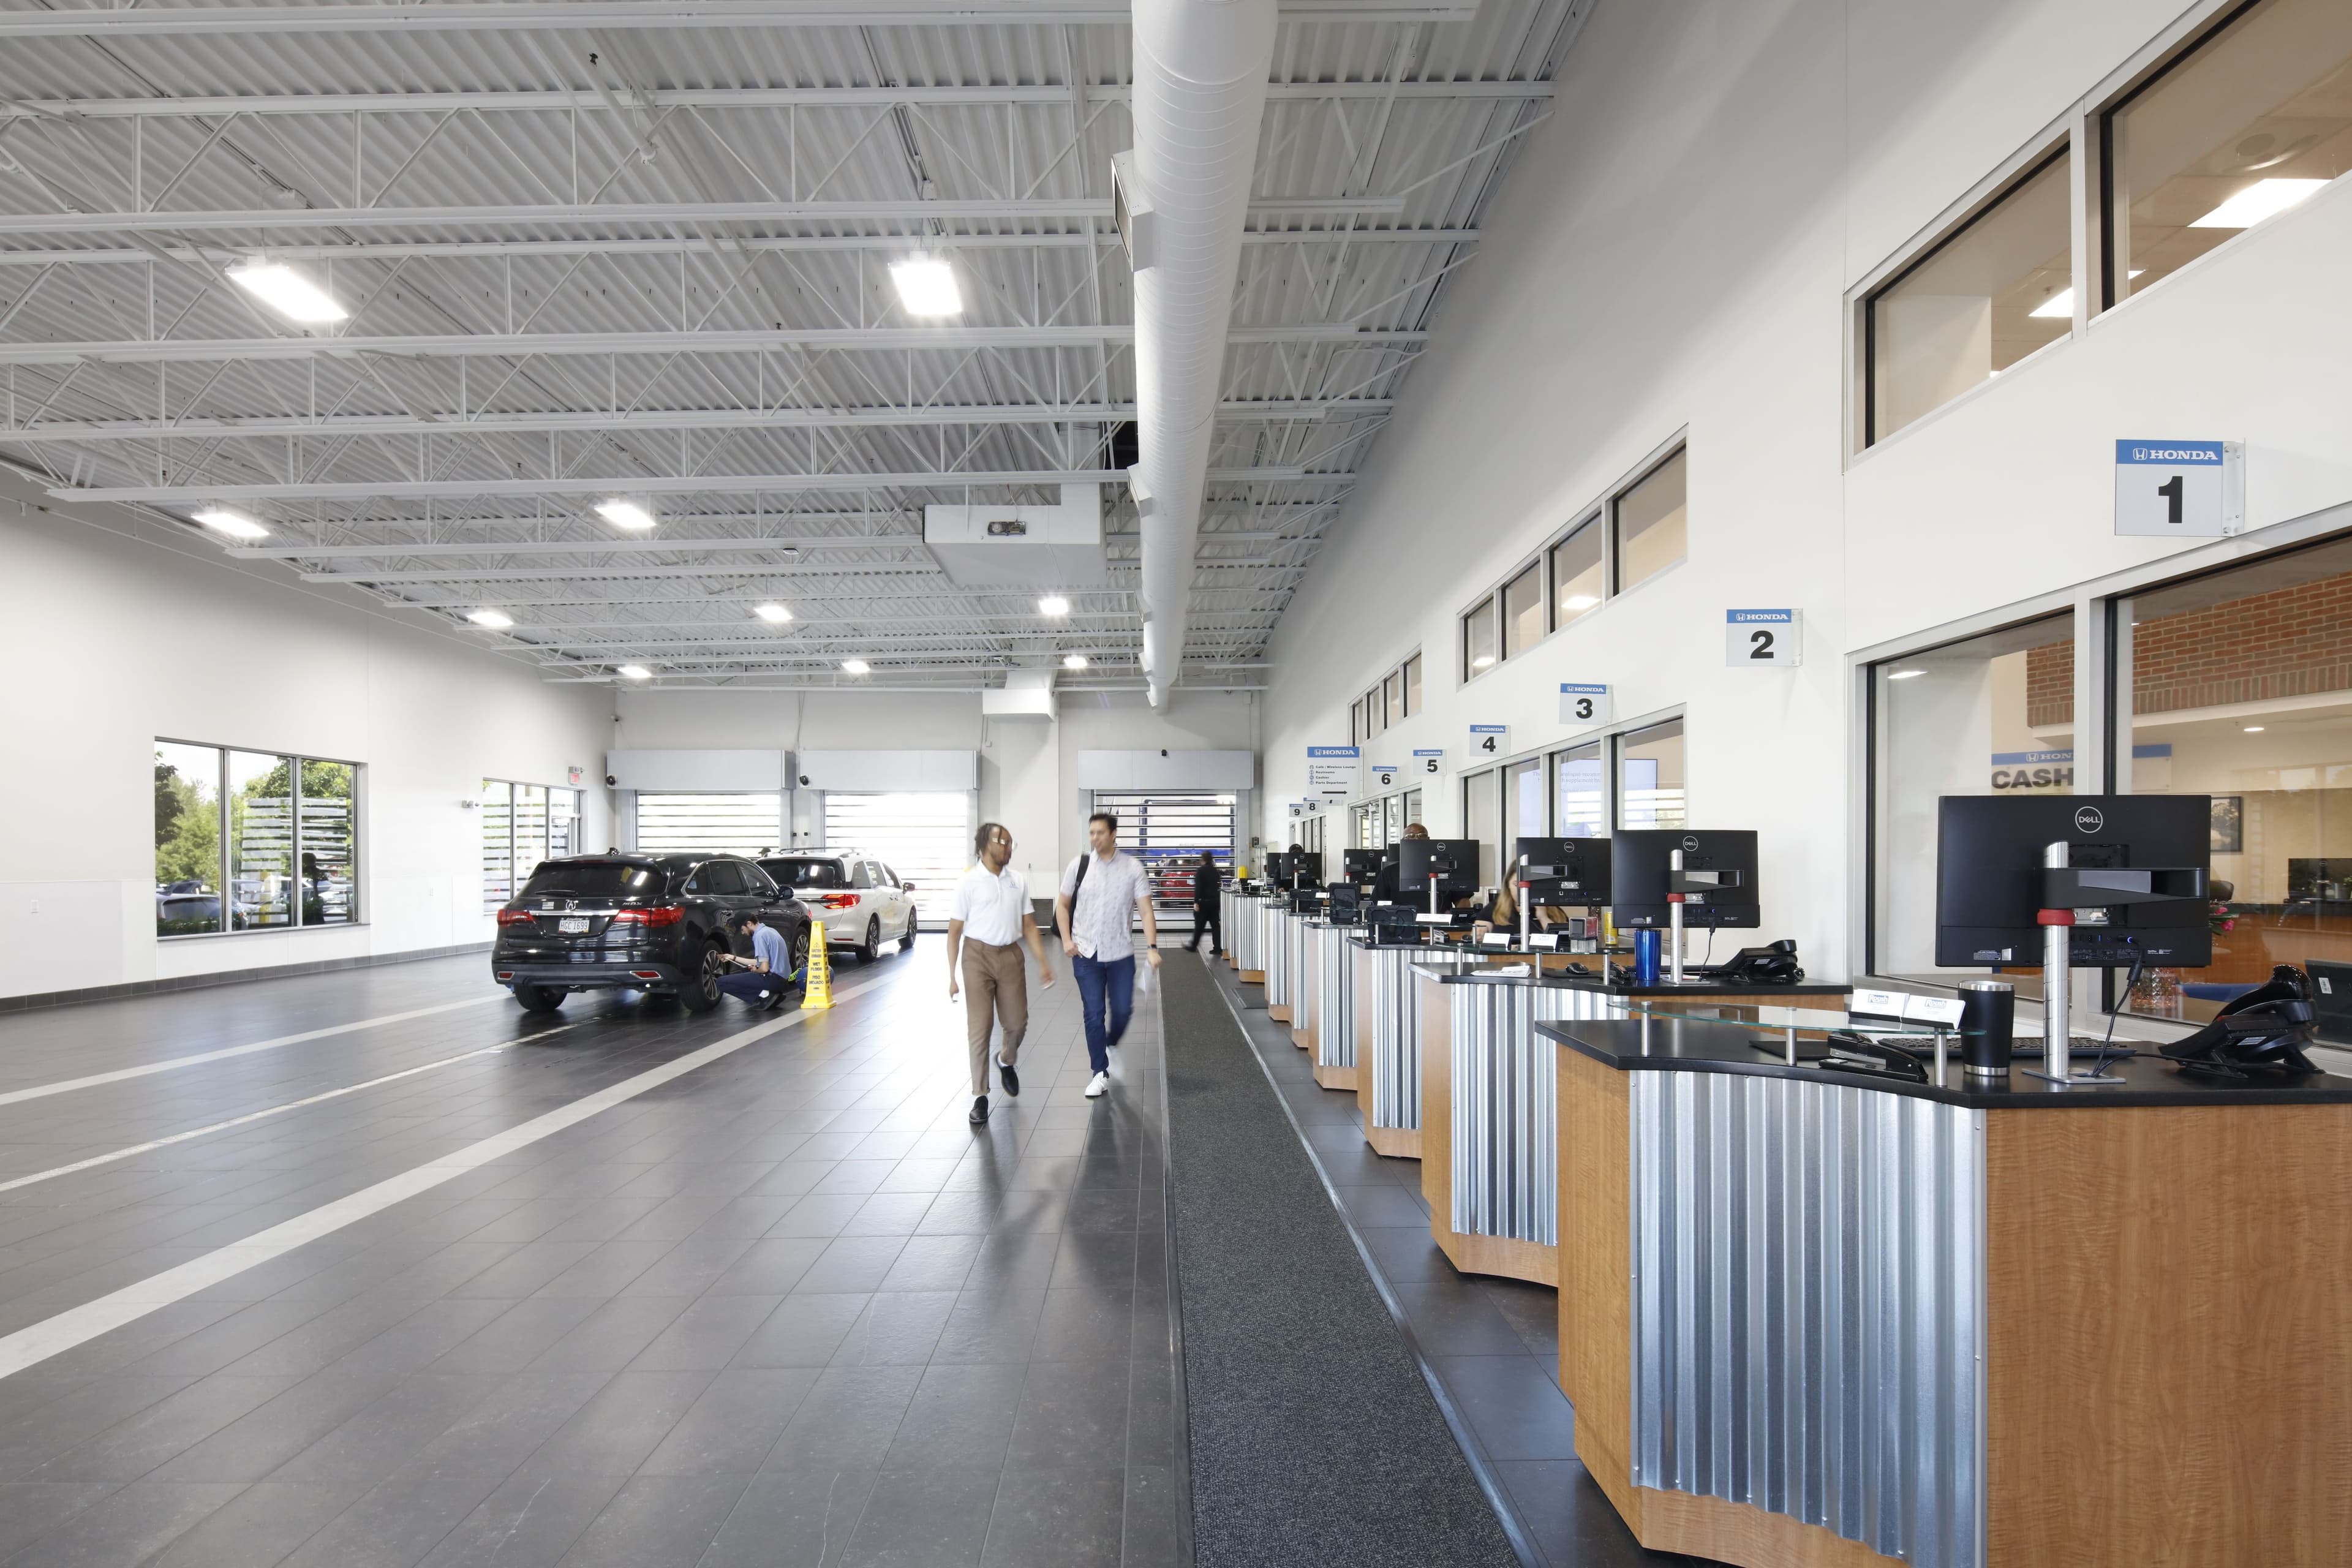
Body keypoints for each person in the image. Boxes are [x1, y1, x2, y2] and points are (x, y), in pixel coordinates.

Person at [946, 822, 1055, 1125]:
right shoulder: (968, 882)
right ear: (985, 845)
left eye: (1010, 843)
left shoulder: (1017, 881)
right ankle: (980, 1096)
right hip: (976, 957)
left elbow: (1030, 925)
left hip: (1010, 955)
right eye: (1002, 842)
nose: (1008, 847)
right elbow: (954, 932)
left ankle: (1006, 1060)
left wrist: (1044, 962)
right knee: (980, 1029)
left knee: (1017, 1024)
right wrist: (952, 976)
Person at [1056, 812, 1161, 1099]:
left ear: (1114, 834)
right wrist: (1066, 940)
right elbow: (1063, 906)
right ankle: (1099, 1073)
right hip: (1085, 953)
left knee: (1124, 1011)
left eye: (1100, 833)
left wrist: (1152, 948)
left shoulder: (1132, 868)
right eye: (1091, 833)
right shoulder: (1079, 866)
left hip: (1120, 954)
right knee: (1094, 1013)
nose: (1095, 838)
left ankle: (1111, 1044)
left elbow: (1146, 910)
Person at [715, 910, 794, 1011]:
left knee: (721, 982)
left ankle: (765, 995)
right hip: (783, 980)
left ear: (749, 924)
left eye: (742, 929)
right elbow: (760, 962)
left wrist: (755, 970)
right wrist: (732, 958)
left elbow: (764, 968)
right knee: (746, 971)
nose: (743, 933)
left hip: (773, 979)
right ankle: (770, 993)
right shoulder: (770, 931)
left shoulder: (760, 936)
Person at [1185, 849, 1221, 956]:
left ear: (1203, 860)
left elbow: (1198, 888)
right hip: (1214, 902)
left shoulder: (1200, 871)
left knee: (1199, 926)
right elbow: (1218, 885)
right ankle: (1217, 948)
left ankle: (1193, 946)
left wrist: (1196, 902)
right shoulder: (1216, 871)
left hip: (1203, 903)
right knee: (1215, 926)